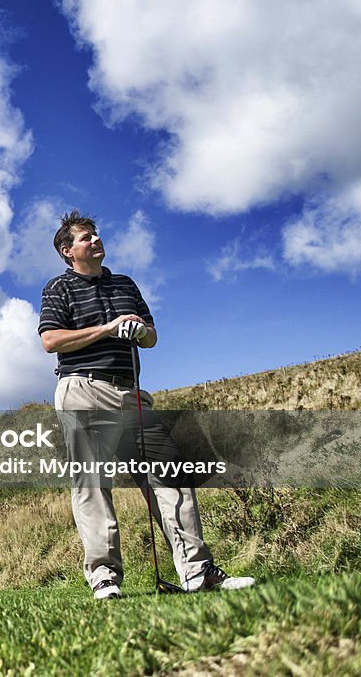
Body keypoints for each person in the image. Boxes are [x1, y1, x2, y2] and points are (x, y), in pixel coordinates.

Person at [38, 210, 255, 599]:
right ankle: (105, 578)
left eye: (96, 233)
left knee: (169, 472)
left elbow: (152, 337)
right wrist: (106, 329)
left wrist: (141, 331)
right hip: (83, 390)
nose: (96, 240)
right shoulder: (59, 288)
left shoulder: (125, 284)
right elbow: (52, 341)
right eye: (87, 237)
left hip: (130, 394)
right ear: (68, 250)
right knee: (92, 485)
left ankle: (196, 572)